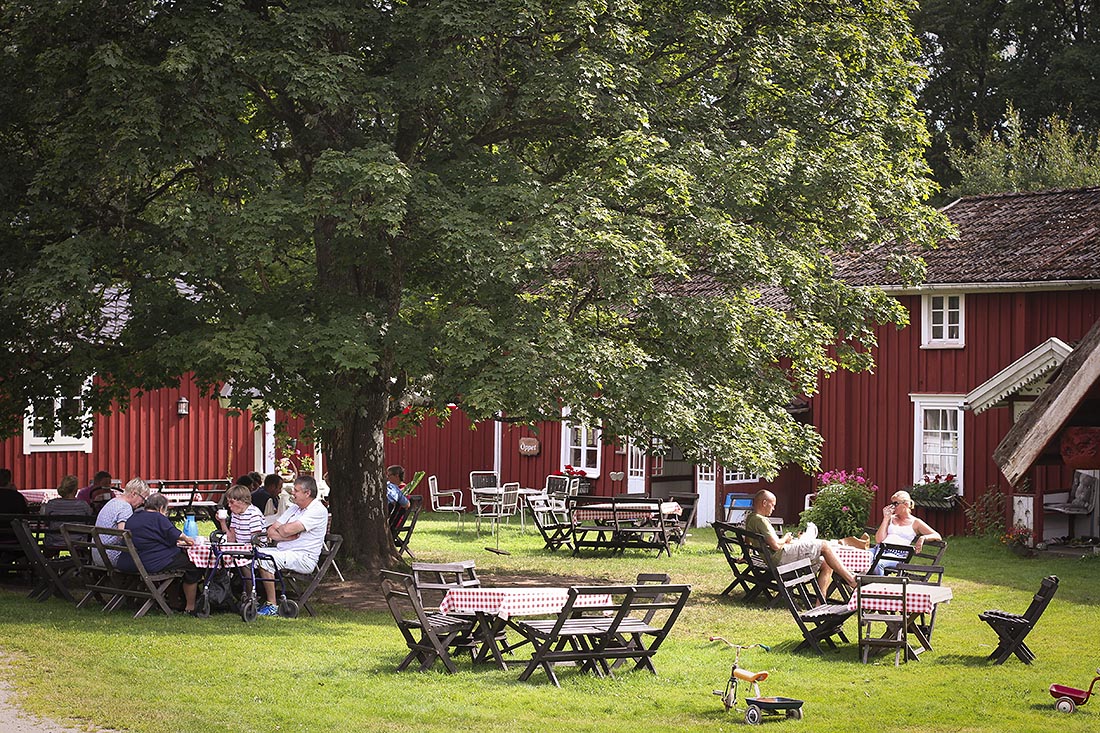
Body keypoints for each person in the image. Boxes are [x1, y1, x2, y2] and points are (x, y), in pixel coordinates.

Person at [744, 489, 857, 591]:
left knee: (826, 563)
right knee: (824, 545)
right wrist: (786, 538)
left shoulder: (750, 518)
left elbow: (748, 539)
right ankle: (851, 580)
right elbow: (776, 546)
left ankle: (820, 604)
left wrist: (746, 555)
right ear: (764, 503)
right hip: (781, 559)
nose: (773, 508)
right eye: (772, 505)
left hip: (776, 558)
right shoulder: (761, 520)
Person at [117, 492, 203, 615]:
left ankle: (174, 602)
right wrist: (188, 540)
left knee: (177, 563)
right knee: (192, 566)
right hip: (150, 563)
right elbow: (176, 534)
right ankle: (190, 607)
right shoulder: (158, 517)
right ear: (161, 508)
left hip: (130, 562)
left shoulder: (134, 516)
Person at [255, 475, 329, 617]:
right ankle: (254, 597)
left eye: (296, 490)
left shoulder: (317, 510)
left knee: (264, 558)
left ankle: (272, 605)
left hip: (303, 557)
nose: (292, 493)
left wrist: (283, 531)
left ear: (307, 493)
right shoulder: (295, 508)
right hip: (284, 551)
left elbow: (284, 529)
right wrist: (285, 534)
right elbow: (271, 530)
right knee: (252, 553)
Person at [871, 490, 943, 575]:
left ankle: (880, 587)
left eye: (895, 504)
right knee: (856, 556)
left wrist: (923, 538)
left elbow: (937, 535)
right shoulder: (891, 518)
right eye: (892, 504)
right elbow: (879, 540)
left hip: (897, 556)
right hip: (880, 549)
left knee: (878, 564)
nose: (892, 507)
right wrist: (886, 519)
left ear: (905, 504)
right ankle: (856, 583)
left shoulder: (916, 522)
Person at [94, 477, 151, 565]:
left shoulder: (113, 502)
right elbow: (124, 536)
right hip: (111, 557)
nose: (143, 502)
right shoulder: (125, 507)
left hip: (98, 555)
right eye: (143, 498)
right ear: (134, 494)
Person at [40, 474, 93, 553]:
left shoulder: (52, 504)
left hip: (54, 540)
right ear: (75, 489)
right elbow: (89, 522)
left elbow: (47, 523)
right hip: (78, 541)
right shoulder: (83, 505)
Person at [385, 465, 410, 530]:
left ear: (396, 475)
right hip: (394, 520)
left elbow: (406, 505)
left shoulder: (398, 489)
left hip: (393, 520)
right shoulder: (404, 488)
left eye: (389, 475)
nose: (387, 478)